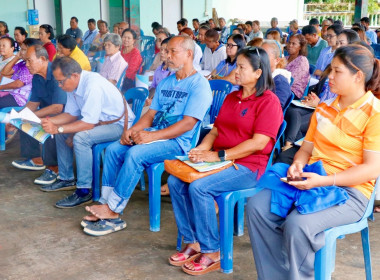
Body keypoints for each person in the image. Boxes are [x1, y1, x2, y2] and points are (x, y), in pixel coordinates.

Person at [247, 44, 380, 280]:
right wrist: (297, 164)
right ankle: (274, 275)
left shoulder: (374, 113)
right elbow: (306, 149)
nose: (329, 76)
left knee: (298, 224)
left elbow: (371, 169)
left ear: (357, 75)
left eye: (337, 71)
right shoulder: (324, 108)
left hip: (351, 191)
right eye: (331, 70)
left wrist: (325, 180)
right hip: (313, 179)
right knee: (258, 206)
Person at [167, 47, 283, 276]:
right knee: (175, 181)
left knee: (200, 188)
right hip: (220, 159)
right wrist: (201, 150)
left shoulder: (268, 102)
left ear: (258, 73)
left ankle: (212, 251)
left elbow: (259, 144)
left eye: (241, 67)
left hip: (249, 165)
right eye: (235, 66)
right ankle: (193, 242)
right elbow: (215, 131)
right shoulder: (232, 97)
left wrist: (219, 156)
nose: (235, 71)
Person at [81, 36, 212, 236]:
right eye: (165, 52)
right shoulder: (167, 82)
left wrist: (152, 137)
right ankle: (105, 202)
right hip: (156, 134)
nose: (166, 56)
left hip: (178, 143)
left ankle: (113, 210)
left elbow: (188, 124)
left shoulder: (198, 85)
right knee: (115, 149)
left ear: (189, 54)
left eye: (172, 52)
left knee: (136, 154)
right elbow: (150, 115)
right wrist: (133, 130)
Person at [40, 56, 135, 208]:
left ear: (75, 76)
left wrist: (58, 127)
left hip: (119, 126)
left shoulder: (92, 85)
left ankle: (84, 190)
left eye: (61, 81)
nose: (59, 85)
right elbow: (70, 115)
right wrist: (50, 122)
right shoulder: (73, 86)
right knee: (60, 132)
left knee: (81, 138)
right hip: (99, 122)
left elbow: (88, 123)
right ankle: (66, 179)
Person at [11, 45, 66, 185]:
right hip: (50, 111)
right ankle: (36, 159)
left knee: (47, 123)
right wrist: (19, 115)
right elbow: (33, 102)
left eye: (29, 61)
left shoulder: (57, 73)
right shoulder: (37, 77)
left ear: (42, 59)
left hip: (67, 114)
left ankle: (54, 168)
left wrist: (31, 115)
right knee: (23, 118)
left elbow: (58, 107)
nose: (27, 65)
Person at [0, 38, 39, 109]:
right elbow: (4, 72)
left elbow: (18, 84)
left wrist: (0, 87)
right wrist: (17, 57)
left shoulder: (30, 66)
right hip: (12, 94)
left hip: (19, 99)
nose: (21, 52)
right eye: (21, 49)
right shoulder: (23, 63)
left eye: (23, 50)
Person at [262, 39, 292, 110]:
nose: (260, 58)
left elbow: (275, 109)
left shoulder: (280, 82)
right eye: (259, 54)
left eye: (264, 55)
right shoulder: (259, 75)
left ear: (277, 60)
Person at [147, 37, 173, 106]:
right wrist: (147, 97)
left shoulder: (175, 72)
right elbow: (154, 87)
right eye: (161, 49)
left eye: (165, 50)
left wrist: (153, 102)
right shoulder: (158, 70)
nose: (162, 52)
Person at [285, 34, 310, 99]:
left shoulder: (302, 60)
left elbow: (291, 80)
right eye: (289, 43)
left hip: (293, 92)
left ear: (300, 47)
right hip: (282, 87)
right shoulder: (285, 58)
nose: (290, 46)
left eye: (293, 44)